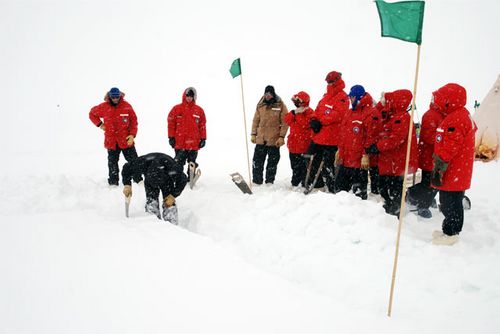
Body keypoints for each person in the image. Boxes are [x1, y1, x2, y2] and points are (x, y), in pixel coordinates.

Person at [430, 83, 476, 245]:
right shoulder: (459, 115)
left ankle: (451, 234)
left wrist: (439, 168)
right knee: (450, 201)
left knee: (450, 203)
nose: (436, 102)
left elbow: (449, 147)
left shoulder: (456, 119)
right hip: (456, 170)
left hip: (453, 169)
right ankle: (448, 230)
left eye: (439, 99)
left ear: (449, 100)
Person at [365, 89, 418, 216]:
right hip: (389, 161)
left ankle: (394, 212)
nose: (384, 102)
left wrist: (377, 146)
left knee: (394, 190)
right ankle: (389, 208)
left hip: (396, 162)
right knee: (384, 188)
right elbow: (376, 115)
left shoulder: (401, 118)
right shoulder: (392, 115)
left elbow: (395, 139)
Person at [89, 87, 142, 186]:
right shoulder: (103, 107)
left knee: (134, 161)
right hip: (111, 141)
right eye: (113, 97)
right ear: (109, 97)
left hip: (126, 140)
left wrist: (132, 135)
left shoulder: (127, 106)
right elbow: (92, 113)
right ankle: (113, 182)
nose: (115, 99)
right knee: (112, 162)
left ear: (120, 96)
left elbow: (134, 121)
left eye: (117, 97)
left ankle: (138, 179)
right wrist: (100, 124)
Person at [307, 71, 349, 192]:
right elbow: (318, 109)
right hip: (319, 136)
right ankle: (317, 185)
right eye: (328, 81)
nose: (329, 84)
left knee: (329, 165)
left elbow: (339, 115)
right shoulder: (325, 96)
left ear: (337, 81)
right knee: (314, 162)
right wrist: (314, 119)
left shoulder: (343, 97)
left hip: (332, 138)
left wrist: (321, 121)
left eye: (331, 81)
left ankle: (332, 188)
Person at [406, 92, 445, 218]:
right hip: (430, 156)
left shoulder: (439, 115)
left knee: (429, 183)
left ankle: (422, 198)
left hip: (432, 156)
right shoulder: (431, 115)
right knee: (430, 183)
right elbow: (429, 137)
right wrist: (444, 140)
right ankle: (420, 202)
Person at [121, 152, 188, 224]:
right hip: (150, 182)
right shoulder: (142, 163)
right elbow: (126, 168)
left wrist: (173, 195)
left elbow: (183, 180)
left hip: (167, 181)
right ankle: (152, 221)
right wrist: (127, 185)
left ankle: (172, 223)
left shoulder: (173, 168)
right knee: (151, 202)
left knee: (169, 202)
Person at [336, 85, 374, 200]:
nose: (350, 100)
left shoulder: (369, 113)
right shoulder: (349, 113)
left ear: (359, 97)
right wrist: (339, 150)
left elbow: (370, 137)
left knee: (358, 196)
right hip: (345, 160)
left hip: (359, 162)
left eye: (352, 97)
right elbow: (343, 135)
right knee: (339, 191)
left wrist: (365, 154)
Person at [250, 85, 289, 185]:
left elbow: (285, 122)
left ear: (273, 94)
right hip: (261, 139)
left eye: (270, 94)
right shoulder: (260, 105)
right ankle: (257, 181)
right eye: (266, 94)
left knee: (272, 163)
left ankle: (269, 182)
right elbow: (255, 121)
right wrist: (253, 134)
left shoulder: (280, 105)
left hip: (274, 140)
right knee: (257, 162)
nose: (267, 96)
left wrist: (281, 137)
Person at [167, 87, 207, 174]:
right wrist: (171, 137)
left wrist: (203, 139)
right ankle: (178, 178)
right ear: (184, 96)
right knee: (178, 163)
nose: (189, 98)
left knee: (192, 163)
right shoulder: (176, 109)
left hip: (194, 143)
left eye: (191, 96)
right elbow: (171, 124)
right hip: (180, 143)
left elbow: (202, 126)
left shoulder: (199, 111)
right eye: (187, 96)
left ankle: (191, 177)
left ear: (194, 97)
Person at [284, 91, 314, 187]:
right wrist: (294, 113)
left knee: (305, 167)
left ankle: (305, 183)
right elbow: (287, 120)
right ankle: (295, 183)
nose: (297, 104)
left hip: (304, 146)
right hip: (293, 145)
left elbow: (305, 124)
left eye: (299, 102)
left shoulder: (310, 112)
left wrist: (300, 113)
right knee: (294, 166)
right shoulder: (294, 112)